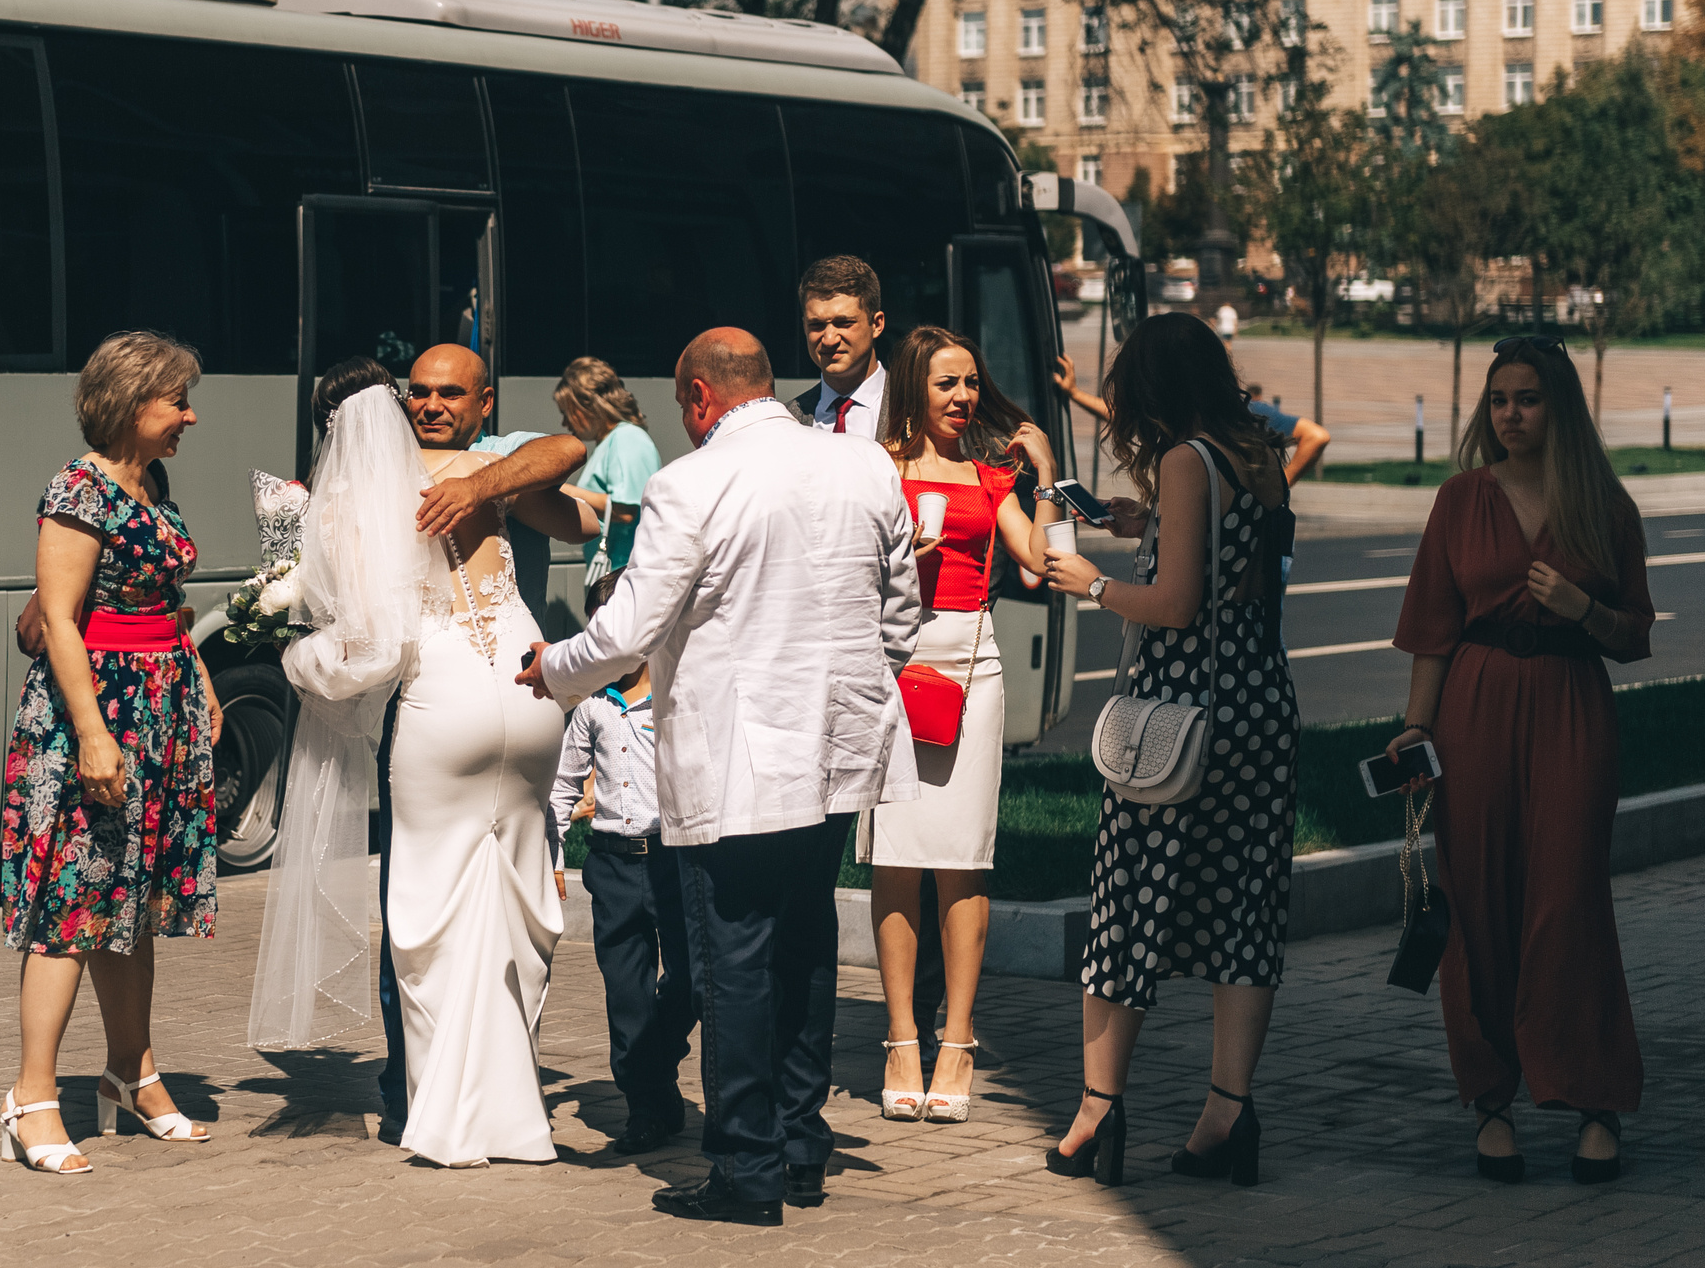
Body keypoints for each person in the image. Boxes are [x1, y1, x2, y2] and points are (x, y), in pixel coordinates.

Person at [517, 328, 924, 1226]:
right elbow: (900, 617)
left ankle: (746, 1167)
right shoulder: (865, 466)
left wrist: (553, 669)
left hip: (737, 761)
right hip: (836, 751)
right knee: (805, 946)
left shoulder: (690, 482)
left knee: (733, 960)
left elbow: (628, 630)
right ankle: (802, 1146)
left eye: (682, 404)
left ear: (700, 397)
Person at [249, 344, 588, 1168]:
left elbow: (371, 647)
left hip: (444, 701)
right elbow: (576, 470)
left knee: (429, 915)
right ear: (399, 407)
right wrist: (485, 484)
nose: (429, 407)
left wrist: (300, 660)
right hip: (529, 687)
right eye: (418, 396)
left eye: (446, 394)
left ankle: (440, 1114)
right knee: (515, 904)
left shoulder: (345, 503)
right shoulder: (480, 470)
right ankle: (514, 1107)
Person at [1036, 312, 1298, 1190]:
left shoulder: (1187, 459)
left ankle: (1097, 1111)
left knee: (1127, 905)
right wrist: (1144, 522)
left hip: (1179, 721)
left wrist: (1096, 583)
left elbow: (1178, 605)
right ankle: (1229, 1113)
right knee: (1243, 910)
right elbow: (1236, 564)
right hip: (1258, 710)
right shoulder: (1254, 455)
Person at [1387, 336, 1651, 1186]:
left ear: (1559, 407)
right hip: (1474, 709)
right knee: (1479, 902)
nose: (1510, 414)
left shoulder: (1605, 506)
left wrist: (1582, 609)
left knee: (1569, 901)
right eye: (1499, 399)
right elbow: (1433, 629)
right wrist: (1415, 730)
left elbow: (1634, 634)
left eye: (1528, 399)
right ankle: (1491, 1099)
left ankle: (1594, 1098)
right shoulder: (1460, 498)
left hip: (1572, 707)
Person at [0, 331, 222, 1175]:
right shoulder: (78, 489)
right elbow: (60, 619)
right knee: (73, 903)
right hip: (95, 716)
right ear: (132, 404)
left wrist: (198, 678)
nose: (190, 418)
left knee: (132, 905)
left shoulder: (150, 483)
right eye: (178, 402)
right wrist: (93, 735)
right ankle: (31, 1098)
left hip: (158, 708)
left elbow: (163, 599)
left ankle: (133, 1073)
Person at [867, 326, 1067, 1127]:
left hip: (972, 663)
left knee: (962, 859)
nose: (964, 397)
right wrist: (897, 555)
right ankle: (900, 1039)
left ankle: (957, 1039)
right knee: (894, 855)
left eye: (972, 382)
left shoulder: (990, 477)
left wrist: (1046, 478)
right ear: (915, 386)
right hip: (891, 663)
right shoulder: (877, 468)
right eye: (947, 383)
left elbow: (1041, 566)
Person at [549, 657, 694, 1155]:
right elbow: (564, 785)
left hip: (673, 861)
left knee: (692, 978)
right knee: (627, 996)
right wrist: (554, 853)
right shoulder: (592, 706)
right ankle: (646, 1109)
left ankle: (657, 1064)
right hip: (613, 866)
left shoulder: (677, 692)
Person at [554, 356, 663, 594]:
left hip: (626, 579)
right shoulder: (611, 442)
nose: (564, 422)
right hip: (616, 579)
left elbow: (626, 510)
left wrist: (564, 491)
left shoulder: (626, 438)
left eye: (567, 411)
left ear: (587, 404)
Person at [790, 256, 889, 439]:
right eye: (817, 325)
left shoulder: (918, 408)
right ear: (804, 327)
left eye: (844, 323)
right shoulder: (788, 420)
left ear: (876, 324)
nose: (829, 339)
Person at [1244, 384, 1332, 486]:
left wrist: (1284, 482)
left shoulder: (1251, 409)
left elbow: (1317, 436)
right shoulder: (1254, 409)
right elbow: (1317, 436)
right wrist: (1285, 481)